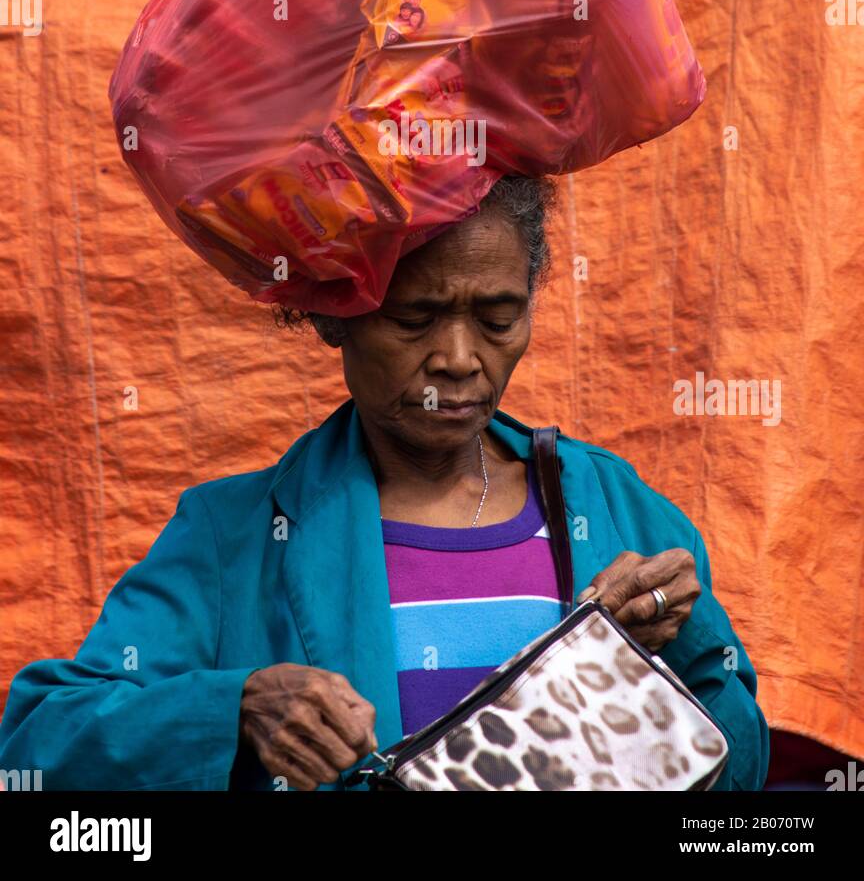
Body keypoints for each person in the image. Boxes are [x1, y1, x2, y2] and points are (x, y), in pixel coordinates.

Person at [0, 176, 769, 792]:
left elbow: (740, 760)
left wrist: (676, 644)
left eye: (497, 318)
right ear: (335, 315)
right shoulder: (232, 537)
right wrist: (234, 712)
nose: (460, 358)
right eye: (414, 319)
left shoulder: (610, 505)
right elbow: (39, 743)